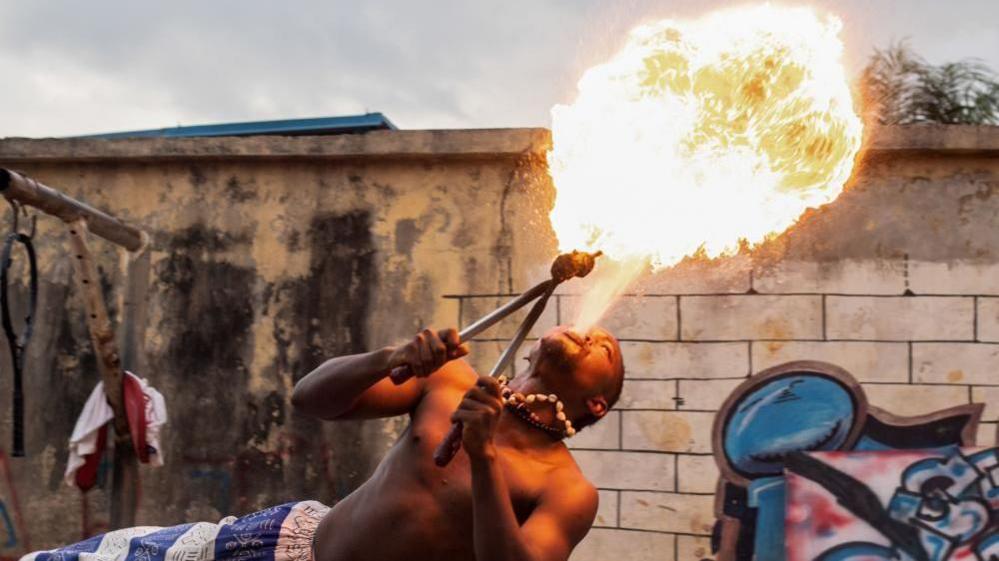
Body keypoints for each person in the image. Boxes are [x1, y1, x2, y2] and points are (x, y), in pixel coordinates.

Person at [22, 325, 624, 561]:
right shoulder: (449, 379)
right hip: (281, 546)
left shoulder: (568, 489)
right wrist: (385, 359)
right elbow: (311, 399)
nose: (595, 331)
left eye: (608, 349)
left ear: (597, 403)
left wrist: (486, 454)